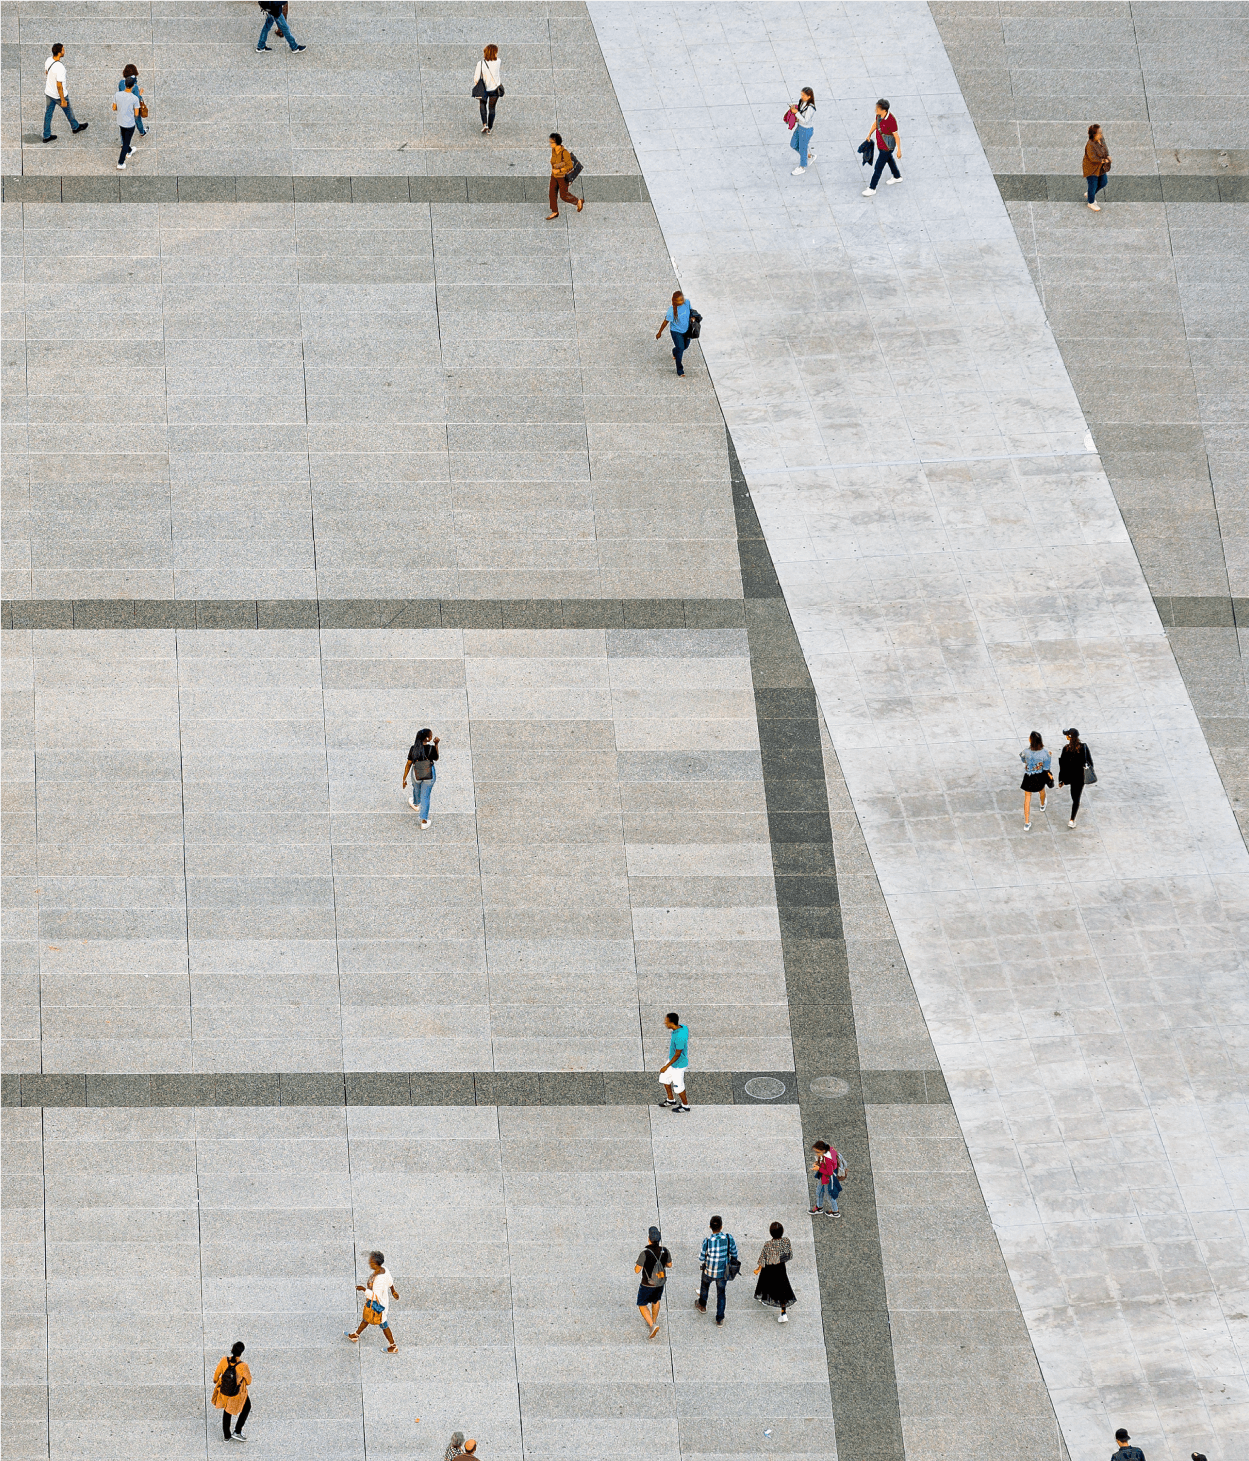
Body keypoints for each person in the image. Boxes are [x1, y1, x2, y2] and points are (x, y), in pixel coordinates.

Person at [345, 1250, 399, 1353]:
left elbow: (375, 1296)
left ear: (376, 1264)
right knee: (366, 1318)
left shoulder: (379, 1280)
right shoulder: (384, 1270)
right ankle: (355, 1335)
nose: (369, 1263)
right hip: (374, 1303)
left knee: (383, 1324)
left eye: (371, 1262)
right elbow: (390, 1281)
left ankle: (393, 1346)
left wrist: (363, 1290)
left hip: (378, 1305)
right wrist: (393, 1291)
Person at [695, 1215, 739, 1324]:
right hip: (722, 1272)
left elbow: (701, 1257)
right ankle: (720, 1319)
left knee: (704, 1287)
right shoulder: (729, 1238)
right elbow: (734, 1254)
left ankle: (702, 1305)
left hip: (708, 1270)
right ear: (722, 1226)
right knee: (721, 1294)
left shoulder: (707, 1241)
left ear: (710, 1227)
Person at [42, 44, 87, 144]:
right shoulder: (60, 67)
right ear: (59, 52)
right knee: (68, 111)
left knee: (48, 114)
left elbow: (46, 72)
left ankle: (46, 135)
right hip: (58, 95)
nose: (64, 51)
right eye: (63, 49)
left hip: (49, 93)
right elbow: (59, 86)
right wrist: (62, 99)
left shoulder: (49, 60)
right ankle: (75, 127)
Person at [754, 1221, 796, 1322]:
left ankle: (765, 1298)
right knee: (782, 1289)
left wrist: (758, 1268)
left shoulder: (768, 1244)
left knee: (765, 1282)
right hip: (780, 1268)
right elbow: (789, 1255)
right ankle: (783, 1313)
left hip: (769, 1268)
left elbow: (763, 1258)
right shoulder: (786, 1241)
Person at [211, 1341, 252, 1442]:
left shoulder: (224, 1360)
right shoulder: (243, 1365)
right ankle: (237, 1431)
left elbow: (216, 1377)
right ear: (241, 1352)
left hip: (224, 1391)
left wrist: (217, 1381)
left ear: (232, 1349)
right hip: (237, 1393)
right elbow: (248, 1381)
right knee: (247, 1407)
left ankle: (227, 1436)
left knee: (226, 1410)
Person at [635, 1225, 671, 1338]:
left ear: (648, 1239)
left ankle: (652, 1324)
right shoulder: (665, 1251)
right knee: (656, 1300)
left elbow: (637, 1270)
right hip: (659, 1283)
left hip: (647, 1283)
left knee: (641, 1304)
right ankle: (654, 1320)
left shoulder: (645, 1253)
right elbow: (669, 1265)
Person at [655, 291, 700, 378]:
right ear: (675, 301)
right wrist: (659, 332)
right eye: (679, 300)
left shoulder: (687, 302)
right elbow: (665, 322)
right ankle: (680, 370)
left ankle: (674, 351)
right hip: (676, 332)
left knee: (685, 347)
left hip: (687, 330)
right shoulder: (671, 311)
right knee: (681, 349)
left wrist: (692, 318)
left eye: (682, 299)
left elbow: (690, 311)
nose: (682, 301)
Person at [862, 99, 901, 195]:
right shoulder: (879, 116)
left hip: (887, 148)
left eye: (877, 108)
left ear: (884, 110)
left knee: (878, 167)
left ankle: (872, 188)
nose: (876, 110)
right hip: (881, 145)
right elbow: (875, 124)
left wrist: (899, 150)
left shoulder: (891, 120)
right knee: (889, 160)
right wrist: (869, 134)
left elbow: (896, 136)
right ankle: (897, 176)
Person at [1058, 727, 1094, 828]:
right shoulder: (1084, 747)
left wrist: (1062, 780)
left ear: (1069, 737)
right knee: (1076, 798)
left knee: (1074, 797)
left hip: (1071, 777)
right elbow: (1090, 762)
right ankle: (1072, 819)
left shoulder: (1066, 749)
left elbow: (1063, 766)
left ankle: (1072, 818)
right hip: (1080, 777)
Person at [402, 727, 439, 827]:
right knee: (425, 796)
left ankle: (416, 803)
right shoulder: (431, 748)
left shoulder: (413, 749)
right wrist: (436, 744)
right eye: (430, 735)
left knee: (416, 787)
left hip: (416, 773)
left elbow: (408, 764)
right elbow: (436, 758)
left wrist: (404, 778)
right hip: (429, 774)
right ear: (427, 738)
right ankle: (424, 821)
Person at [657, 1012, 690, 1112]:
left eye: (666, 1021)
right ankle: (670, 1099)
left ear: (671, 1023)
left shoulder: (680, 1037)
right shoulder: (683, 1027)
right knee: (664, 1078)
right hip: (672, 1061)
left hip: (678, 1065)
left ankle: (685, 1106)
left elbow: (677, 1054)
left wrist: (666, 1066)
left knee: (679, 1087)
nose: (665, 1023)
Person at [546, 133, 582, 220]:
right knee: (552, 193)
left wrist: (558, 170)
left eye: (552, 142)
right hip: (554, 176)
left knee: (564, 195)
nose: (550, 144)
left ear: (557, 142)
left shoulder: (564, 153)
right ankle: (555, 211)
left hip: (562, 177)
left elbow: (569, 165)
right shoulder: (554, 150)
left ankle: (577, 201)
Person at [1019, 730, 1050, 830]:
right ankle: (1042, 805)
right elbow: (1046, 767)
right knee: (1042, 790)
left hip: (1029, 776)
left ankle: (1027, 822)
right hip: (1040, 776)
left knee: (1027, 798)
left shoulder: (1026, 752)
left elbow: (1023, 759)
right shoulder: (1045, 753)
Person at [112, 75, 142, 171]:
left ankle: (129, 150)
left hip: (120, 121)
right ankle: (120, 163)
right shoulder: (134, 98)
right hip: (130, 124)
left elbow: (114, 108)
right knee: (126, 143)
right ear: (133, 86)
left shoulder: (117, 94)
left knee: (125, 139)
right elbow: (136, 114)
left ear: (125, 84)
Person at [473, 44, 502, 133]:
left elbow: (476, 78)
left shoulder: (480, 63)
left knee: (482, 105)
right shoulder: (498, 62)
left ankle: (485, 124)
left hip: (484, 89)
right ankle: (490, 128)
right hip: (495, 89)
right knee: (492, 108)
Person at [808, 1140, 841, 1216]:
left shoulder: (828, 1159)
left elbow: (829, 1172)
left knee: (829, 1195)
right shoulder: (827, 1153)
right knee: (819, 1192)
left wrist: (818, 1169)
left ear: (823, 1151)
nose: (816, 1154)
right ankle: (819, 1207)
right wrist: (818, 1164)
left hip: (828, 1179)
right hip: (823, 1177)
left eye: (818, 1152)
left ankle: (835, 1211)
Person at [789, 87, 817, 175]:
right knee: (793, 144)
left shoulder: (811, 108)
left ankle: (802, 167)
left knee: (803, 148)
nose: (802, 97)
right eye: (801, 94)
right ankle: (808, 156)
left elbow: (806, 120)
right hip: (799, 127)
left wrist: (796, 113)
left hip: (806, 129)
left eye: (803, 95)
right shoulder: (802, 102)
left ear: (809, 97)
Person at [1085, 124, 1111, 210]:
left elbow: (1105, 149)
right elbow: (1093, 158)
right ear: (1094, 134)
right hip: (1091, 168)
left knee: (1103, 182)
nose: (1102, 134)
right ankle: (1091, 202)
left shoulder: (1101, 140)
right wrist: (1104, 160)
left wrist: (1107, 156)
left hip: (1100, 167)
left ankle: (1090, 194)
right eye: (1100, 133)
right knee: (1093, 184)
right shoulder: (1090, 144)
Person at [119, 64, 147, 140]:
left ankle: (122, 141)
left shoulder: (121, 83)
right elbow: (136, 98)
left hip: (124, 106)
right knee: (138, 120)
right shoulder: (135, 86)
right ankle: (142, 132)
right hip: (133, 108)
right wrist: (140, 93)